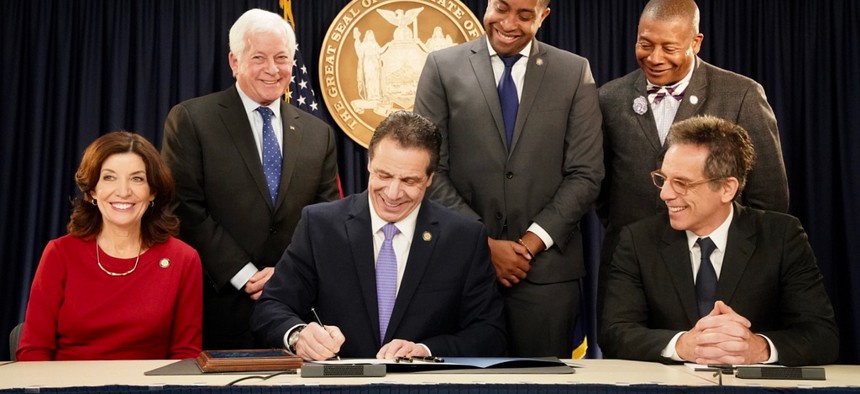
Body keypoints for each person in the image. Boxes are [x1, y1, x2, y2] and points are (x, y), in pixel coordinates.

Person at [413, 0, 603, 358]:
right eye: (501, 8)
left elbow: (586, 173)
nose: (509, 23)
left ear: (543, 16)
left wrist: (529, 244)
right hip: (459, 270)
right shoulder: (442, 66)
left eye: (524, 15)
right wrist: (482, 244)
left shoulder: (574, 71)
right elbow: (429, 169)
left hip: (546, 276)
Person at [251, 111, 506, 360]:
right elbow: (271, 307)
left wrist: (426, 351)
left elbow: (489, 333)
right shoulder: (320, 226)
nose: (393, 193)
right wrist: (298, 336)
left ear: (429, 179)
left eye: (409, 181)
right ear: (369, 163)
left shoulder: (464, 238)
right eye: (384, 175)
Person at [161, 8, 340, 349]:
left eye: (282, 58)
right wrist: (244, 275)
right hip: (216, 308)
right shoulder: (191, 120)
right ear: (234, 61)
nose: (272, 69)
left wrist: (285, 276)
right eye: (259, 57)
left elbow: (325, 218)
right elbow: (184, 207)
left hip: (295, 313)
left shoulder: (319, 134)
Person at [599, 116, 838, 366]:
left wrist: (759, 348)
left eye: (681, 183)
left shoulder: (781, 236)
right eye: (663, 178)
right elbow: (615, 333)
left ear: (727, 188)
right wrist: (682, 345)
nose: (665, 194)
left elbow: (822, 336)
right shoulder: (638, 240)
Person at [596, 0, 789, 289]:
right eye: (645, 45)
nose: (655, 58)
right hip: (630, 265)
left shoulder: (741, 94)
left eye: (669, 48)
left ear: (695, 42)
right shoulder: (609, 97)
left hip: (718, 267)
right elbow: (601, 188)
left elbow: (770, 198)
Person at [17, 131, 202, 360]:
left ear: (152, 191)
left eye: (137, 178)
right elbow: (33, 350)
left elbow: (185, 354)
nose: (123, 192)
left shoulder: (183, 259)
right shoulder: (60, 253)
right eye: (109, 177)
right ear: (92, 191)